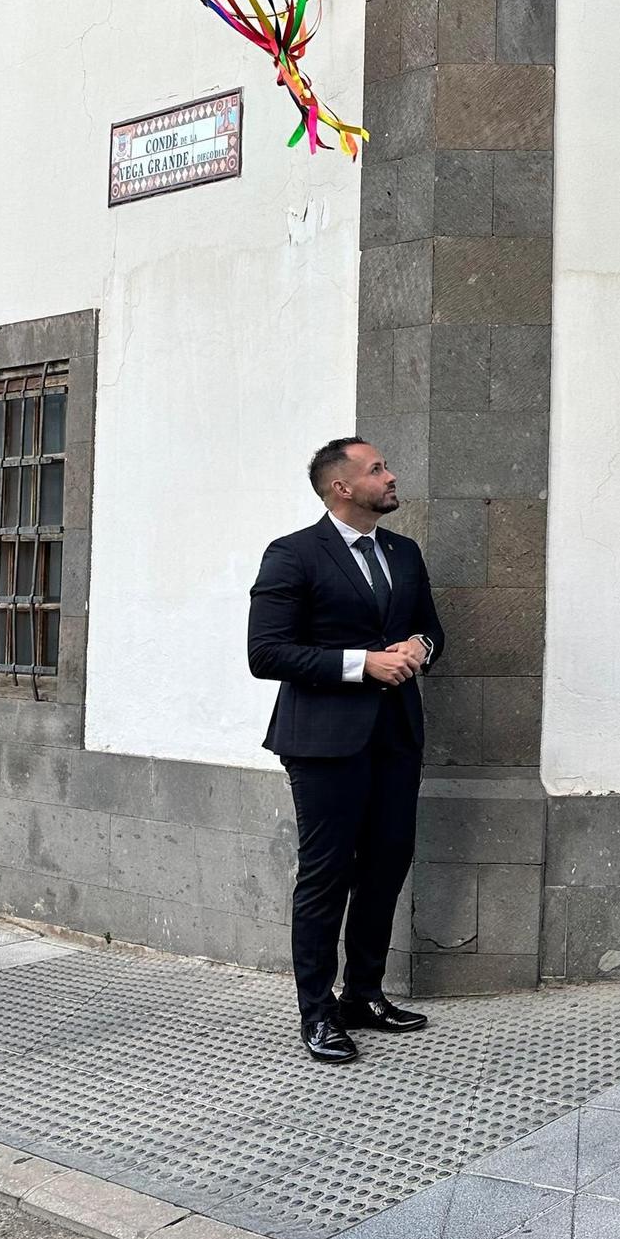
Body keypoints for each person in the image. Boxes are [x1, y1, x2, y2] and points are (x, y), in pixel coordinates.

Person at [248, 438, 447, 1065]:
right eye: (377, 469)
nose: (391, 476)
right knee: (327, 873)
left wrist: (419, 648)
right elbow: (266, 653)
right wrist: (364, 664)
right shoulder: (293, 554)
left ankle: (363, 993)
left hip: (395, 735)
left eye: (387, 465)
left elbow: (431, 629)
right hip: (323, 741)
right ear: (342, 487)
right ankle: (317, 1012)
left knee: (388, 862)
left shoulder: (403, 552)